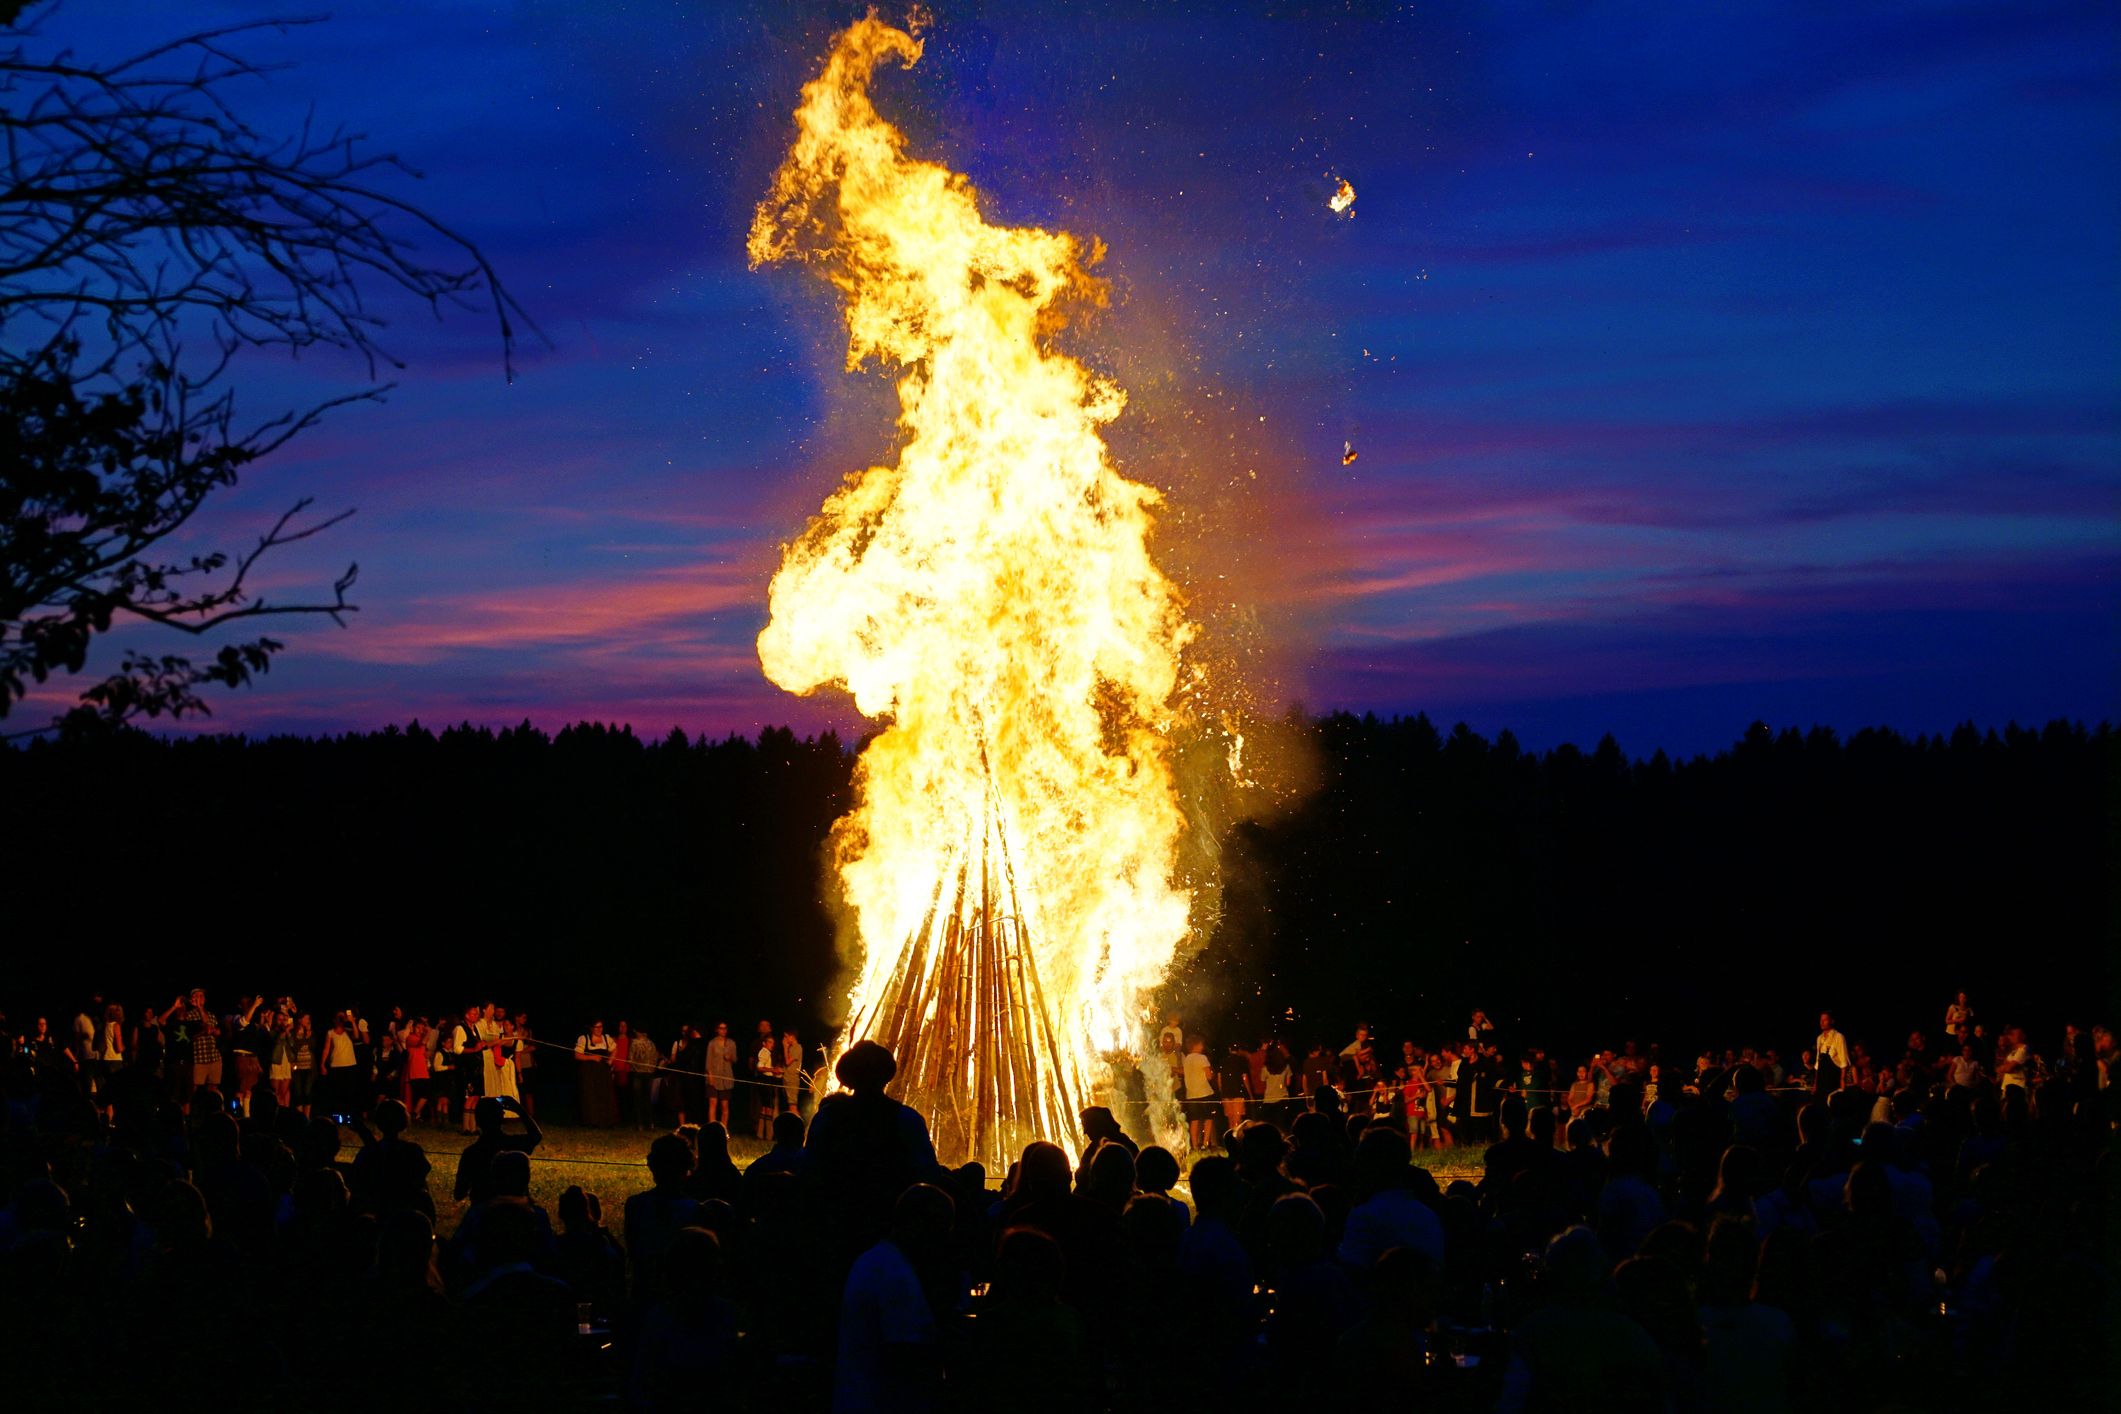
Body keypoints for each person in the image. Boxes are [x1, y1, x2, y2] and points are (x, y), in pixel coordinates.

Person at [833, 1183, 954, 1414]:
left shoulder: (873, 1261)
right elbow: (907, 1357)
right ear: (919, 1226)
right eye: (942, 1230)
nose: (944, 1243)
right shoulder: (897, 1278)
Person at [454, 1095, 544, 1206]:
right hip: (514, 1212)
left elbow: (458, 1194)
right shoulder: (512, 1146)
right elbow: (536, 1136)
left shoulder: (471, 1153)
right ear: (501, 1116)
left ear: (478, 1120)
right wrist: (519, 1109)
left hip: (484, 1215)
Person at [573, 1020, 618, 1126]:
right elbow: (577, 1055)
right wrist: (592, 1057)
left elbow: (615, 1049)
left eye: (601, 1027)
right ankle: (591, 1121)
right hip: (589, 1072)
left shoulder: (606, 1038)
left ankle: (605, 1121)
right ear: (591, 1028)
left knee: (603, 1094)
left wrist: (611, 1060)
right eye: (597, 1027)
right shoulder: (584, 1038)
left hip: (603, 1071)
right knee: (591, 1094)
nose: (599, 1029)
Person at [628, 1024, 662, 1130]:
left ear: (639, 1032)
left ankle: (640, 1124)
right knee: (647, 1098)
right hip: (649, 1074)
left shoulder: (634, 1043)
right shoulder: (652, 1043)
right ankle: (650, 1123)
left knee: (638, 1099)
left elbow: (630, 1059)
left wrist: (635, 1066)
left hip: (638, 1074)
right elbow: (655, 1058)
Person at [704, 1020, 737, 1129]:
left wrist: (730, 1057)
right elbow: (708, 1062)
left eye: (725, 1028)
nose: (723, 1030)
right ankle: (711, 1129)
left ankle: (723, 1129)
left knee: (724, 1105)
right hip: (713, 1077)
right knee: (713, 1103)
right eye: (721, 1028)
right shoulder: (712, 1043)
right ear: (717, 1029)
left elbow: (735, 1059)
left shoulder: (731, 1043)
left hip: (726, 1078)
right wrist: (710, 1076)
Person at [1814, 1011, 1850, 1095]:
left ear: (1832, 1021)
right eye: (1821, 1020)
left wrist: (1842, 1082)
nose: (1822, 1022)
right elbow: (1817, 1063)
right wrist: (1815, 1083)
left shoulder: (1839, 1037)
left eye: (1825, 1020)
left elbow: (1844, 1062)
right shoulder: (1819, 1038)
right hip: (1821, 1080)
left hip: (1833, 1079)